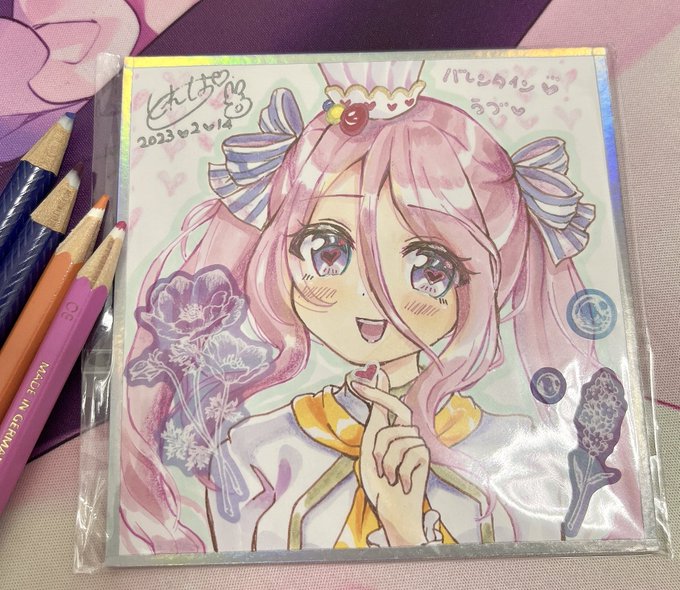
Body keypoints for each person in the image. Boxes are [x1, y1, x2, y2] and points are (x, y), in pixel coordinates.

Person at [121, 60, 644, 554]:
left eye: (430, 268)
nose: (372, 294)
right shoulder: (255, 451)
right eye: (329, 252)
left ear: (485, 280)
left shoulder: (515, 458)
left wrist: (403, 526)